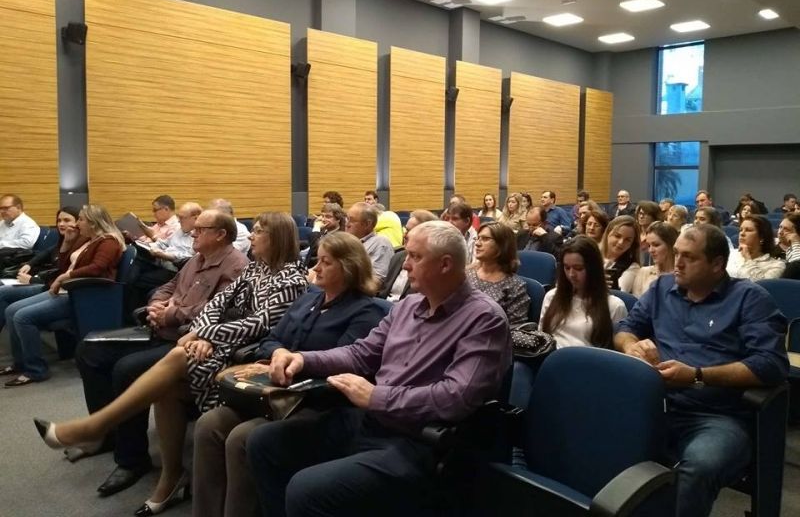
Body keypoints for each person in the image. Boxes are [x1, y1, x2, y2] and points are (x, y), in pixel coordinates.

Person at [34, 212, 308, 515]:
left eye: (258, 231)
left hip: (251, 356)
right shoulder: (256, 267)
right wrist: (200, 331)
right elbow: (216, 304)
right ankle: (171, 474)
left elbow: (260, 324)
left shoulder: (291, 279)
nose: (251, 236)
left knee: (173, 357)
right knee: (164, 388)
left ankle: (95, 426)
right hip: (221, 344)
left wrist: (204, 334)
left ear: (277, 238)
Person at [246, 221, 512, 516]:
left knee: (305, 488)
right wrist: (304, 360)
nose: (405, 265)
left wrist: (376, 397)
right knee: (263, 443)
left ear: (445, 264)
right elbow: (361, 354)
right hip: (370, 422)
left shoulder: (484, 319)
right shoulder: (408, 306)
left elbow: (456, 397)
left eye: (415, 257)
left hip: (418, 441)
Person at [192, 231, 386, 517]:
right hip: (273, 391)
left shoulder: (366, 311)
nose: (316, 268)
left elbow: (346, 365)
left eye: (326, 262)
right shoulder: (310, 298)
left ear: (349, 267)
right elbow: (271, 339)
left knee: (241, 437)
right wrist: (279, 353)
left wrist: (293, 362)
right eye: (317, 260)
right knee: (209, 424)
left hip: (315, 401)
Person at [615, 224, 789, 517]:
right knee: (601, 435)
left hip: (717, 416)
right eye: (677, 253)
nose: (678, 263)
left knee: (699, 467)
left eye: (690, 257)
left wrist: (697, 375)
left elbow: (771, 364)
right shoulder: (661, 288)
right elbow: (625, 328)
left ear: (717, 264)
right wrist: (632, 346)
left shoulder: (749, 298)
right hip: (656, 403)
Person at [74, 209, 249, 496]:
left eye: (201, 229)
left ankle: (131, 460)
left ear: (221, 234)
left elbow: (218, 310)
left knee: (127, 370)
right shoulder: (196, 259)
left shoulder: (236, 266)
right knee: (89, 351)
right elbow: (167, 286)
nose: (192, 233)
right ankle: (107, 434)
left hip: (186, 341)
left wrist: (171, 314)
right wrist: (157, 305)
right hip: (159, 330)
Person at [3, 204, 124, 386]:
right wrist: (67, 244)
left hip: (82, 295)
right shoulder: (90, 240)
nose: (77, 224)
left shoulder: (108, 242)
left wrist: (64, 277)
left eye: (81, 219)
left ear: (93, 223)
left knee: (22, 317)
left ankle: (36, 370)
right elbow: (64, 266)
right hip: (67, 290)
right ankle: (20, 363)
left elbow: (97, 268)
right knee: (11, 310)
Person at [0, 206, 86, 335]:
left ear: (78, 222)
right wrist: (29, 264)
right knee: (2, 291)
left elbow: (63, 275)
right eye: (59, 220)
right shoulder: (64, 239)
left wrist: (32, 280)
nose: (61, 224)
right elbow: (47, 252)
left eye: (67, 220)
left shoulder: (81, 245)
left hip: (55, 288)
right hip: (49, 283)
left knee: (15, 310)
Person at [539, 236, 627, 348]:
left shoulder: (614, 306)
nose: (571, 274)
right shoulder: (552, 296)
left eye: (578, 268)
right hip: (551, 355)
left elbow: (614, 352)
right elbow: (542, 337)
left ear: (593, 269)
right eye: (567, 268)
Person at [467, 221, 529, 326]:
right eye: (477, 238)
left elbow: (515, 328)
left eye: (485, 239)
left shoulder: (515, 286)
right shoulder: (466, 274)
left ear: (502, 245)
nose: (477, 243)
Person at [378, 210, 438, 302]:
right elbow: (382, 291)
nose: (405, 235)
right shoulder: (397, 256)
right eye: (406, 230)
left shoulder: (430, 263)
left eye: (411, 231)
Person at [344, 202, 393, 283]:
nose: (347, 224)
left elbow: (377, 280)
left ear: (367, 224)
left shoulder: (380, 243)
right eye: (347, 219)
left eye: (351, 220)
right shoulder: (346, 242)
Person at [726, 215, 785, 281]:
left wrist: (748, 259)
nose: (742, 233)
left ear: (762, 237)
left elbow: (759, 284)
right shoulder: (729, 254)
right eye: (741, 230)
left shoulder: (776, 265)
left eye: (748, 230)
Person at [631, 221, 678, 297]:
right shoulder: (643, 272)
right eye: (649, 246)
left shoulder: (681, 275)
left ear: (671, 245)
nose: (650, 250)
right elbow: (635, 301)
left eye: (656, 245)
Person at [599, 215, 640, 293]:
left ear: (632, 244)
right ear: (607, 233)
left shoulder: (632, 267)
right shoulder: (591, 254)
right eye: (617, 236)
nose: (621, 242)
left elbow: (619, 293)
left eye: (627, 240)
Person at [305, 202, 346, 268]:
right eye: (322, 216)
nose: (323, 219)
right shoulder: (323, 231)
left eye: (328, 217)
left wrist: (316, 228)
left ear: (338, 219)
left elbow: (316, 252)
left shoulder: (340, 237)